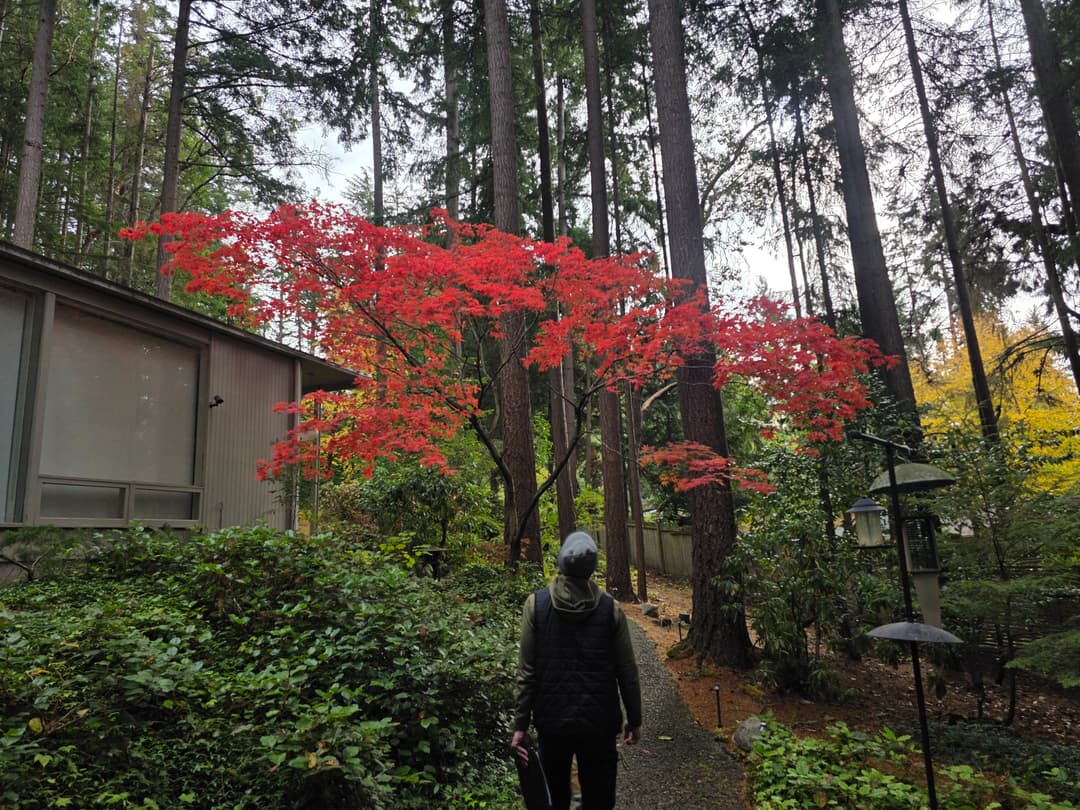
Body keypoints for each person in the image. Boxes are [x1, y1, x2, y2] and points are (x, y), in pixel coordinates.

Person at [510, 531, 642, 810]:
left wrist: (520, 724)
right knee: (600, 798)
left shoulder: (536, 605)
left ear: (561, 562)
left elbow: (526, 672)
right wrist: (634, 718)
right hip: (600, 723)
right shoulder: (611, 609)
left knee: (553, 798)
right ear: (592, 567)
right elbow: (627, 671)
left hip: (552, 720)